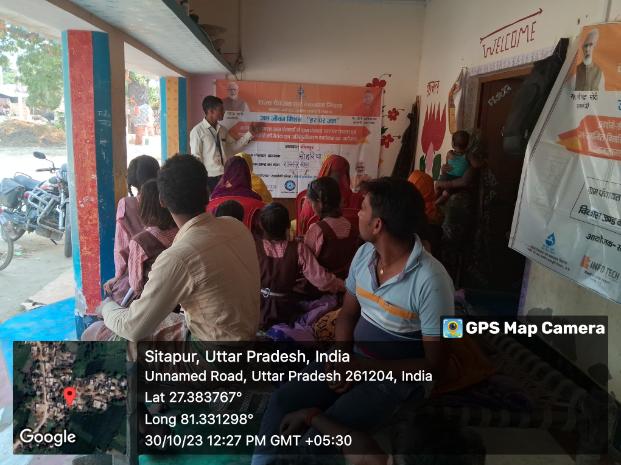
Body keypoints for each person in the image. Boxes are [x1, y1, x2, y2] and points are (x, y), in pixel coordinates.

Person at [251, 177, 455, 464]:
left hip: (396, 379)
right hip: (355, 359)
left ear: (377, 225)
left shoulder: (434, 281)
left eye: (363, 208)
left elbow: (436, 366)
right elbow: (347, 314)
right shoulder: (365, 255)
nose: (357, 213)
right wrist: (341, 358)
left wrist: (362, 368)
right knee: (282, 401)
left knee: (318, 440)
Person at [102, 154, 261, 342]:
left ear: (162, 200)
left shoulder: (178, 257)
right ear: (208, 191)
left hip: (212, 355)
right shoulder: (236, 227)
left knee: (100, 335)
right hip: (248, 338)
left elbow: (132, 328)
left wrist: (106, 307)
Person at [82, 179, 182, 341]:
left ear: (144, 207)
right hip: (176, 302)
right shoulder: (183, 232)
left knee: (94, 325)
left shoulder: (141, 241)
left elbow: (136, 285)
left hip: (147, 305)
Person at [256, 203, 344, 330]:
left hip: (257, 308)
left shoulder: (254, 247)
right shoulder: (298, 249)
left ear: (261, 226)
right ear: (288, 226)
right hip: (284, 312)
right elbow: (321, 280)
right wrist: (343, 285)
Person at [103, 155, 160, 297]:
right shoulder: (165, 199)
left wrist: (118, 276)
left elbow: (121, 247)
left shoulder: (126, 204)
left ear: (133, 181)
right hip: (166, 270)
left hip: (139, 275)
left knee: (108, 301)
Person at [189, 95, 260, 192]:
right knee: (211, 201)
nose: (224, 112)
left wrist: (249, 134)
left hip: (226, 176)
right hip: (209, 178)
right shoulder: (197, 131)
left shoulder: (223, 130)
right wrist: (200, 181)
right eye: (221, 109)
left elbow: (234, 148)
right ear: (211, 111)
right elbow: (196, 158)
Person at [304, 177, 360, 281]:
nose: (311, 206)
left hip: (321, 284)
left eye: (311, 202)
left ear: (319, 202)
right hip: (346, 280)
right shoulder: (352, 227)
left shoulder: (316, 229)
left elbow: (306, 261)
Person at [297, 154, 363, 235]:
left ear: (325, 172)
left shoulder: (311, 200)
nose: (337, 179)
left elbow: (303, 229)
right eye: (336, 175)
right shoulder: (359, 199)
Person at [435, 130, 470, 205]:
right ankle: (435, 204)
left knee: (438, 188)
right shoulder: (467, 156)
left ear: (453, 144)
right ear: (467, 145)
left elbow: (447, 165)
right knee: (445, 195)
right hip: (457, 179)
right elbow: (476, 164)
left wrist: (444, 171)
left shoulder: (450, 153)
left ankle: (433, 198)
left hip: (446, 176)